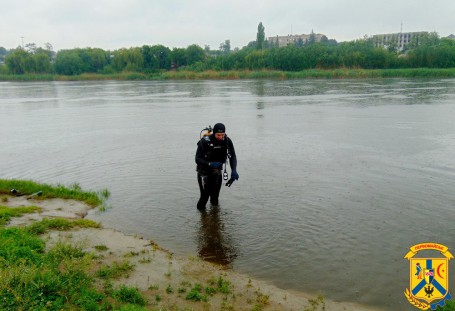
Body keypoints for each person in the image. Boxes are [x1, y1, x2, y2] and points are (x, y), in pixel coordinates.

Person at [195, 123, 239, 210]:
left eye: (222, 134)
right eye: (218, 135)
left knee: (215, 198)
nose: (220, 137)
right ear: (214, 133)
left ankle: (215, 220)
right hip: (204, 173)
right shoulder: (205, 141)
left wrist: (234, 170)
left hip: (217, 172)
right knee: (204, 198)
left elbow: (233, 156)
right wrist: (210, 164)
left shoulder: (227, 141)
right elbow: (197, 159)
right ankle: (202, 220)